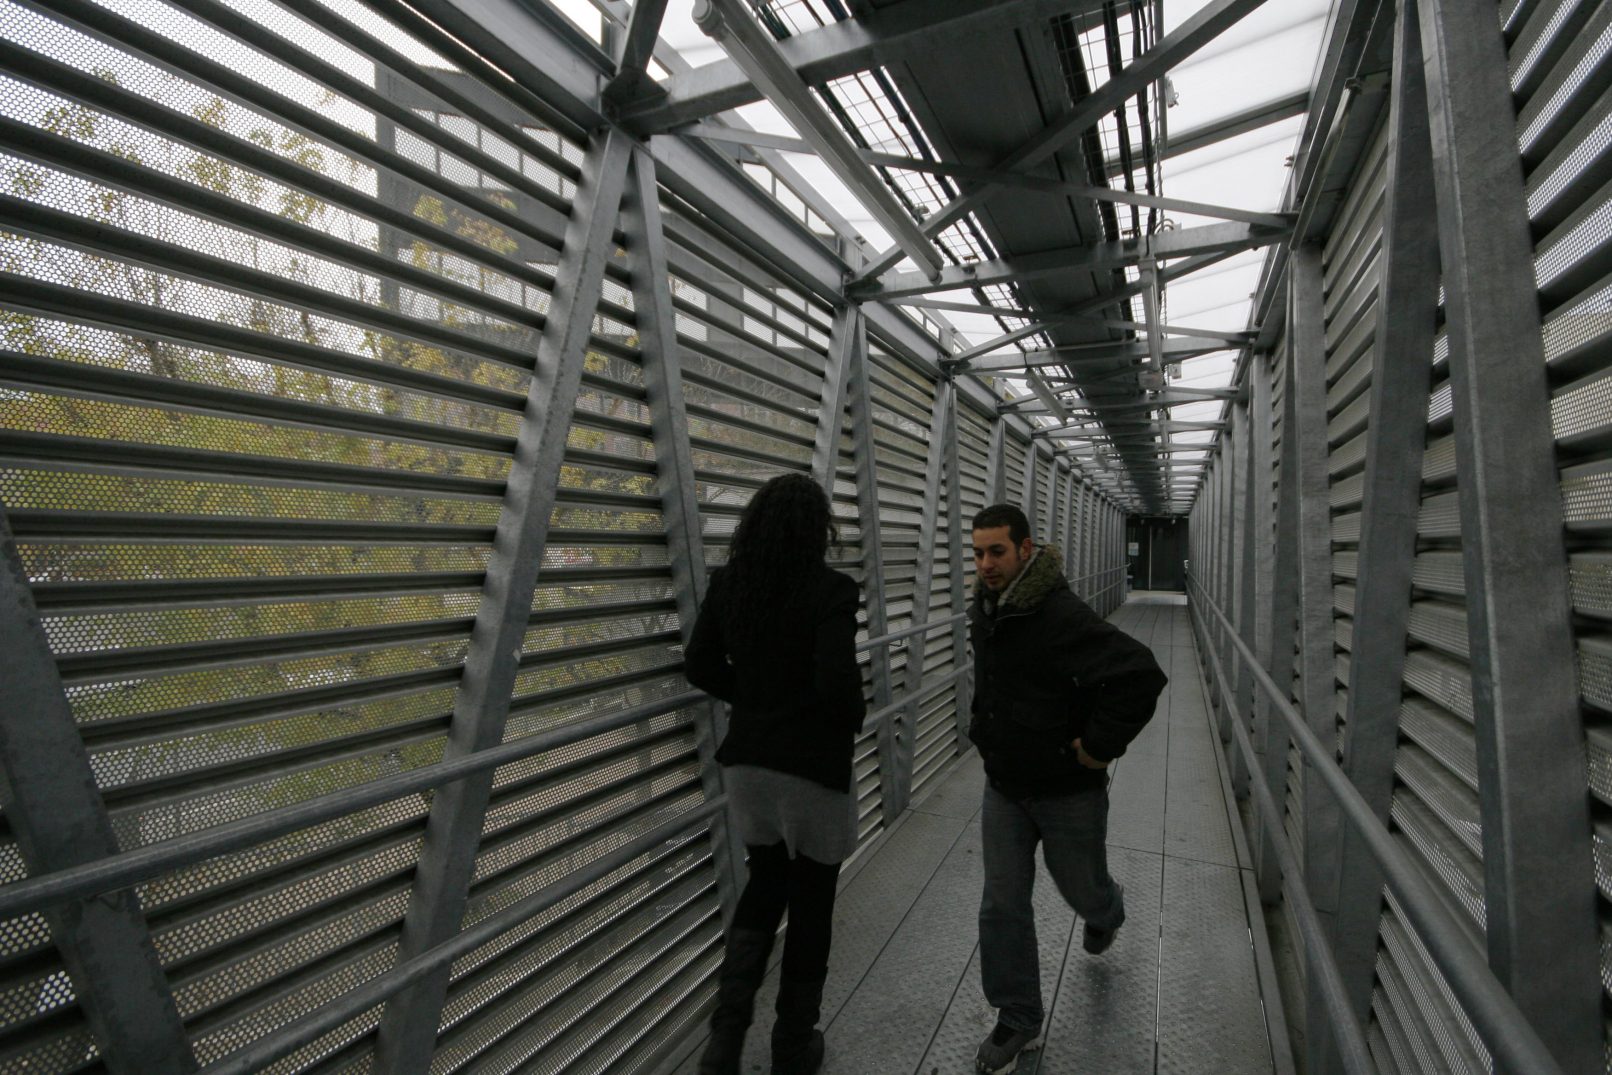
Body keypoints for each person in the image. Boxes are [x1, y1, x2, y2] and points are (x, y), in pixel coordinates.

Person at [967, 503, 1168, 1075]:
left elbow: (1140, 673)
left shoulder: (1059, 615)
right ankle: (1018, 1016)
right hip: (1005, 786)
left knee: (1082, 890)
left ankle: (1107, 909)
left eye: (997, 551)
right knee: (1001, 903)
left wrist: (1098, 747)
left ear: (1025, 550)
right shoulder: (986, 611)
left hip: (1065, 790)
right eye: (978, 553)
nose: (985, 564)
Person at [683, 472, 865, 1075]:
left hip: (749, 765)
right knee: (812, 900)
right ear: (817, 529)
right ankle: (792, 1044)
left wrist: (755, 699)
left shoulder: (731, 584)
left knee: (764, 886)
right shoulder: (831, 590)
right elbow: (838, 682)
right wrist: (849, 717)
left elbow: (699, 664)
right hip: (811, 767)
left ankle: (725, 1039)